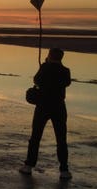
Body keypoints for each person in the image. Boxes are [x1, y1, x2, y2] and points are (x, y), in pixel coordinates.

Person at [19, 48, 72, 179]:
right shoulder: (65, 71)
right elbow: (67, 83)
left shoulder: (45, 68)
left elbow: (36, 80)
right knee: (61, 138)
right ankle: (64, 170)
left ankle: (29, 166)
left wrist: (45, 66)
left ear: (50, 56)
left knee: (35, 136)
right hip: (59, 107)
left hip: (43, 106)